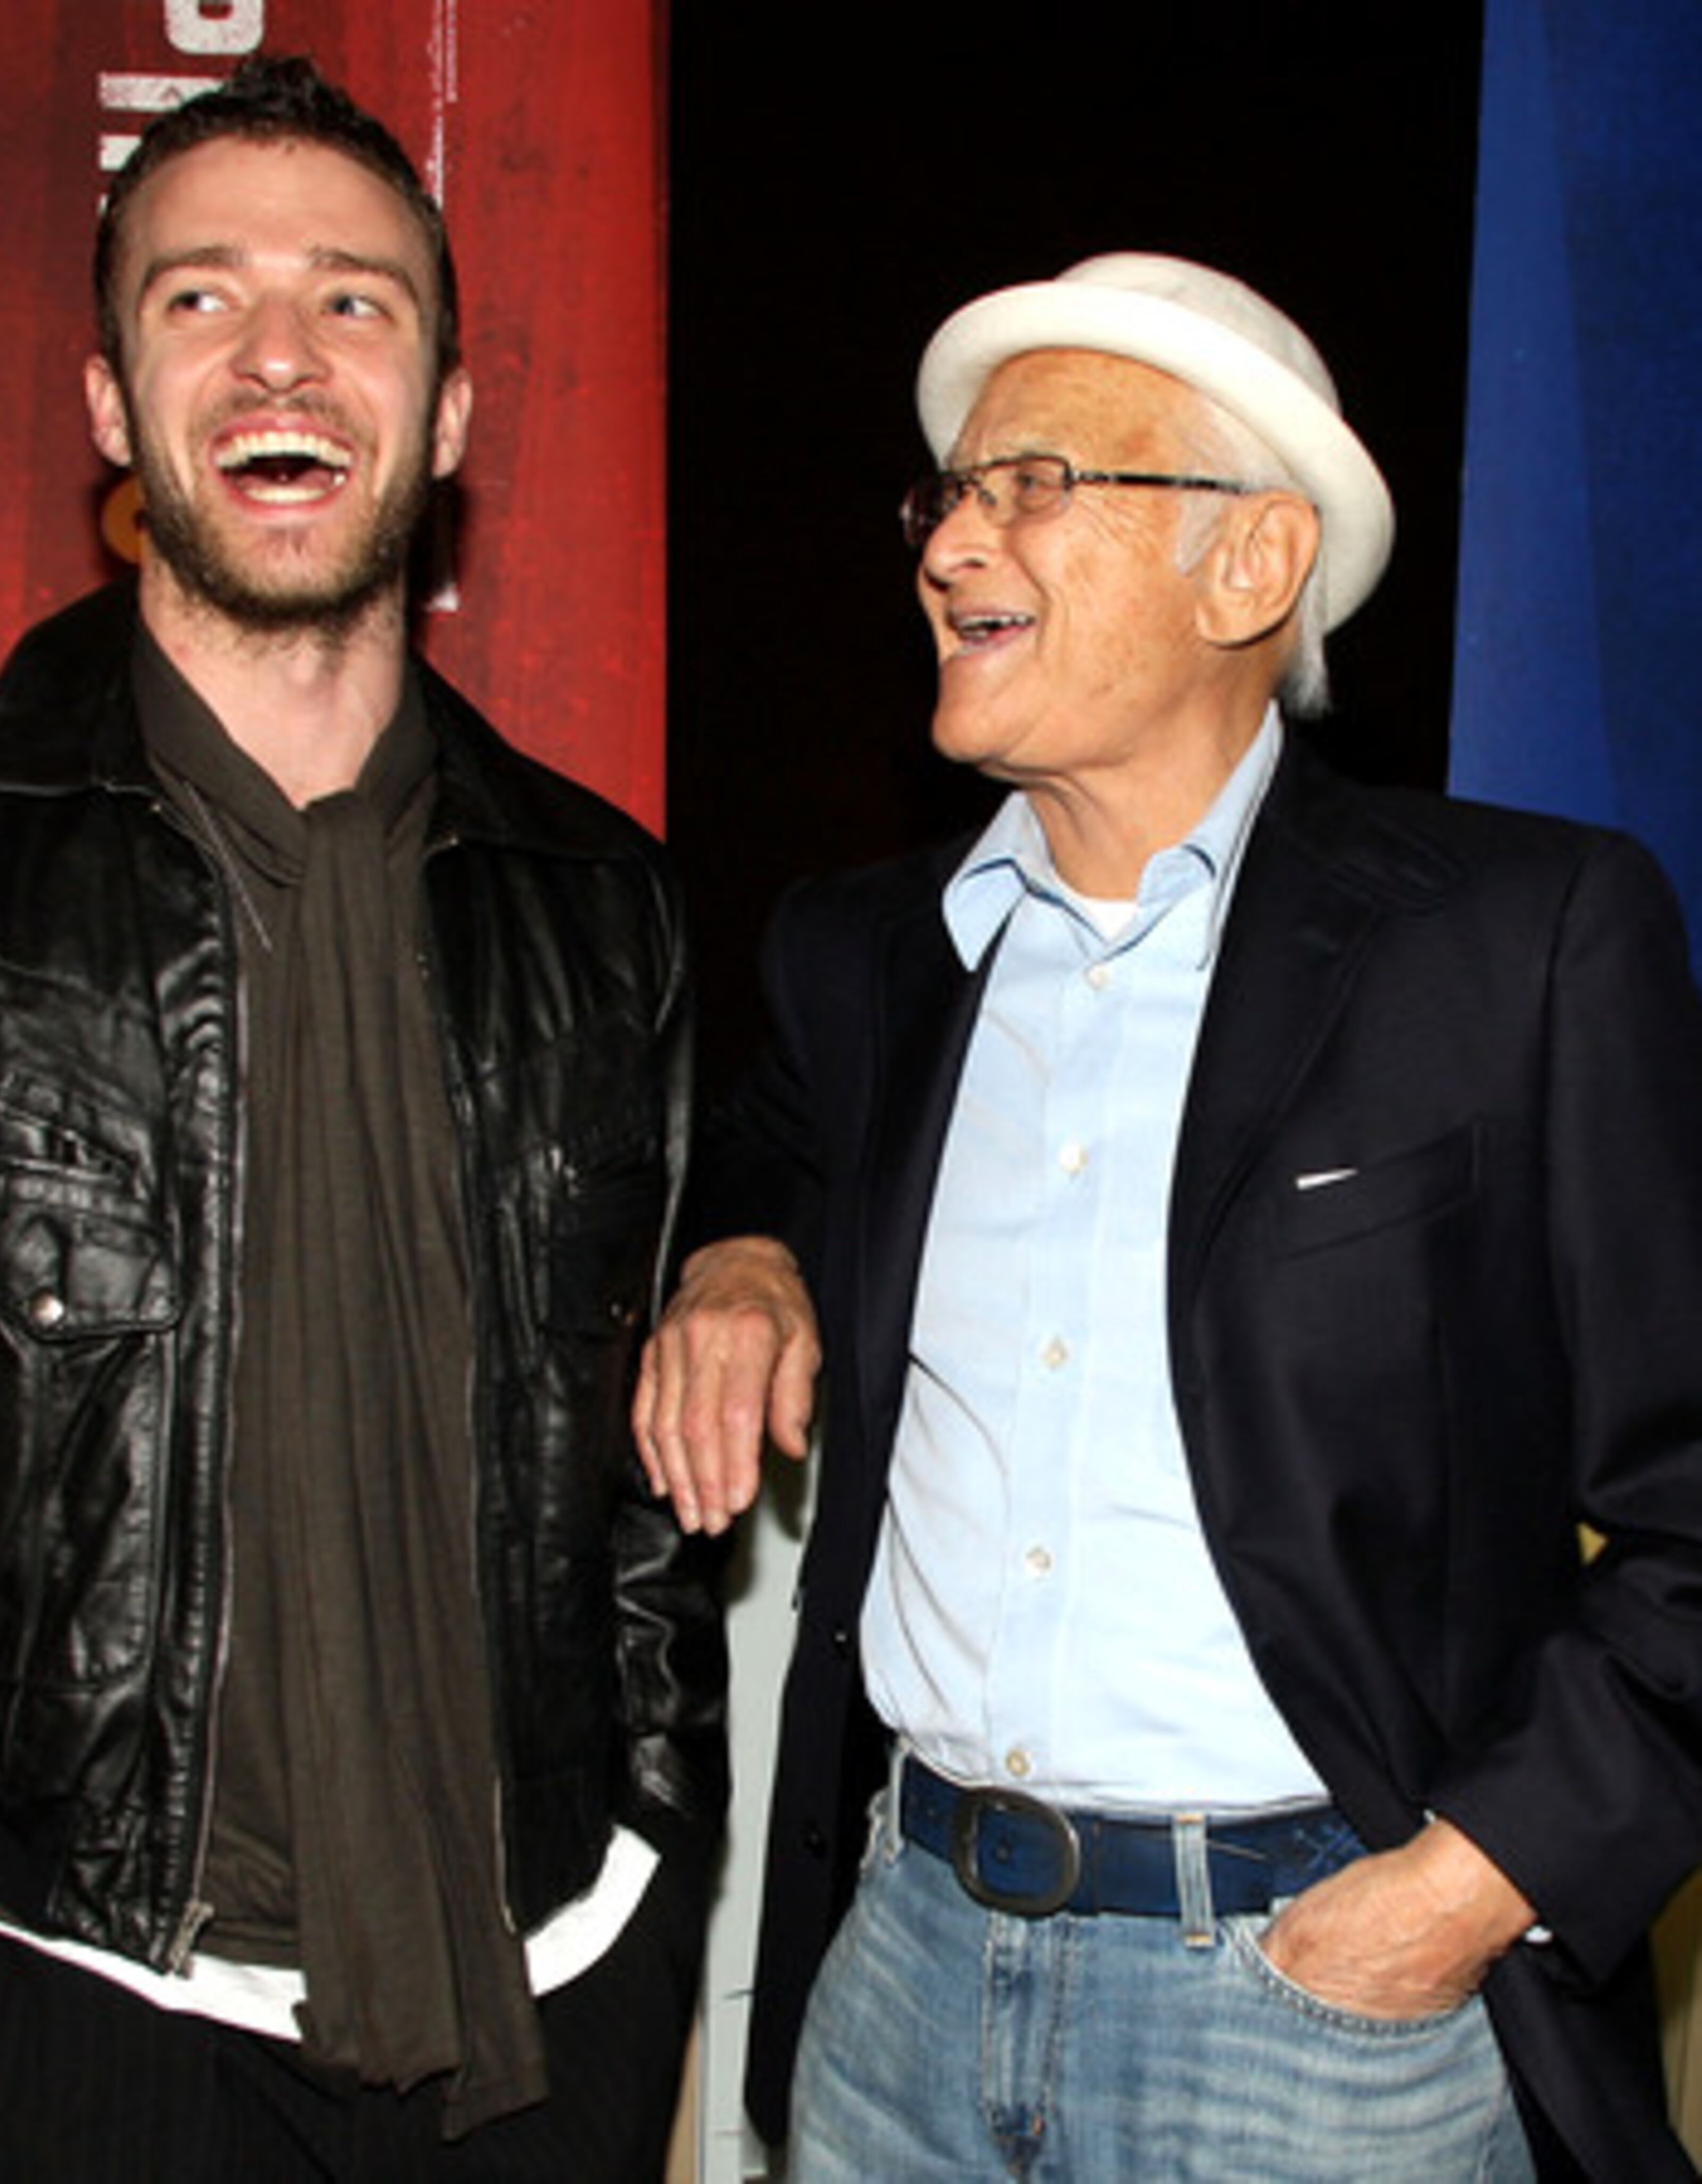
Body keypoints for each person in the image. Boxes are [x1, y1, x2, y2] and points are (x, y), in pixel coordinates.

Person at [0, 54, 724, 2184]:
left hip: (548, 2013)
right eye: (197, 300)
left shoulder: (601, 898)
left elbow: (629, 1498)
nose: (278, 356)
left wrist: (655, 1888)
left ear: (449, 415)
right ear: (108, 403)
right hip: (91, 2015)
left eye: (354, 301)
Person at [633, 251, 1702, 2179]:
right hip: (900, 1979)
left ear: (1250, 565)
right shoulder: (863, 957)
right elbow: (769, 1151)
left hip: (1319, 2015)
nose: (958, 533)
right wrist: (741, 1255)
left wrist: (1468, 1888)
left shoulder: (1517, 943)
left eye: (1036, 481)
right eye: (947, 492)